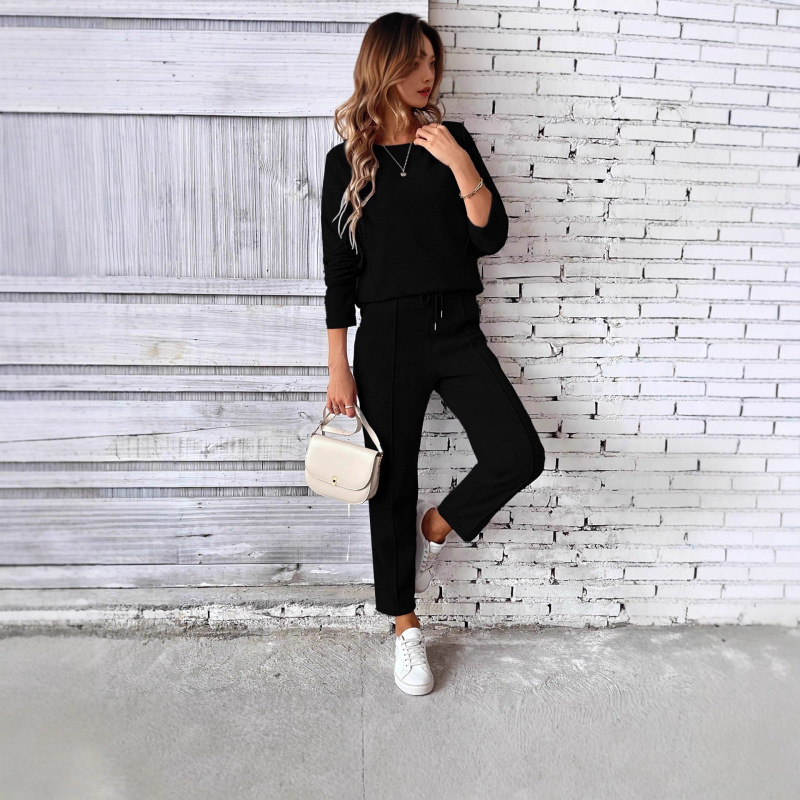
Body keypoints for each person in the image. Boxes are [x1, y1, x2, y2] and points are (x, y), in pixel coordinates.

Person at [320, 12, 546, 696]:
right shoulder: (345, 162)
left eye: (432, 61)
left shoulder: (453, 141)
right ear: (384, 66)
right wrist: (338, 366)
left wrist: (458, 162)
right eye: (414, 62)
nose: (428, 74)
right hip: (385, 335)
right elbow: (339, 275)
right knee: (390, 484)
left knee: (518, 453)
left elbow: (490, 237)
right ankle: (405, 626)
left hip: (456, 327)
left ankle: (441, 521)